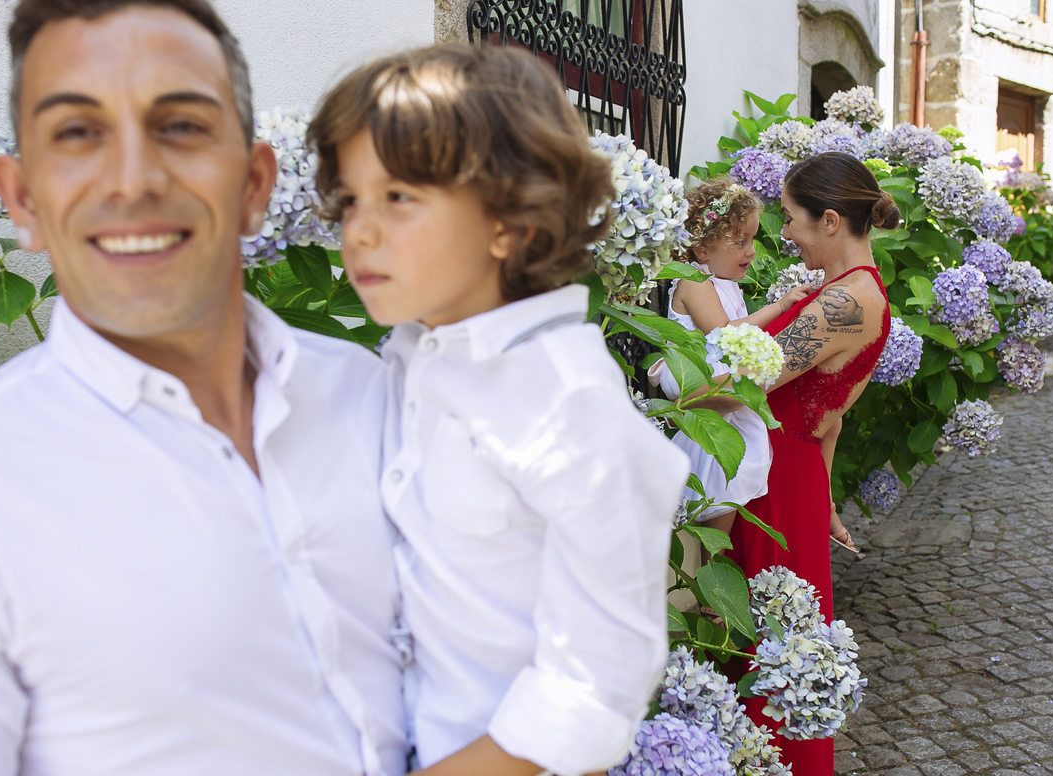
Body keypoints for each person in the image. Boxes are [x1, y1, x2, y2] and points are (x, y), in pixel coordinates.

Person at [0, 2, 406, 774]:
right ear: (21, 200)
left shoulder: (380, 399)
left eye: (181, 126)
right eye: (77, 133)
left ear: (256, 184)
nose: (134, 180)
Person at [308, 46, 690, 776]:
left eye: (398, 197)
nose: (357, 230)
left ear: (510, 222)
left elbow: (595, 688)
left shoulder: (567, 402)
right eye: (350, 199)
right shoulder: (414, 355)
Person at [716, 151, 896, 776]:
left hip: (776, 481)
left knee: (765, 652)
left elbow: (743, 384)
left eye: (791, 217)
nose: (786, 232)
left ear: (830, 220)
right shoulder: (849, 292)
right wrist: (825, 500)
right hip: (790, 478)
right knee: (764, 646)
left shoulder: (846, 304)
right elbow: (832, 415)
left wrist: (665, 378)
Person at [647, 178, 811, 559]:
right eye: (740, 241)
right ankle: (711, 558)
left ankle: (716, 554)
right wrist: (778, 307)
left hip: (721, 390)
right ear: (702, 248)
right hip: (698, 377)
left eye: (752, 239)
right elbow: (723, 333)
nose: (751, 251)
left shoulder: (724, 283)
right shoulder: (694, 282)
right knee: (718, 470)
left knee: (734, 467)